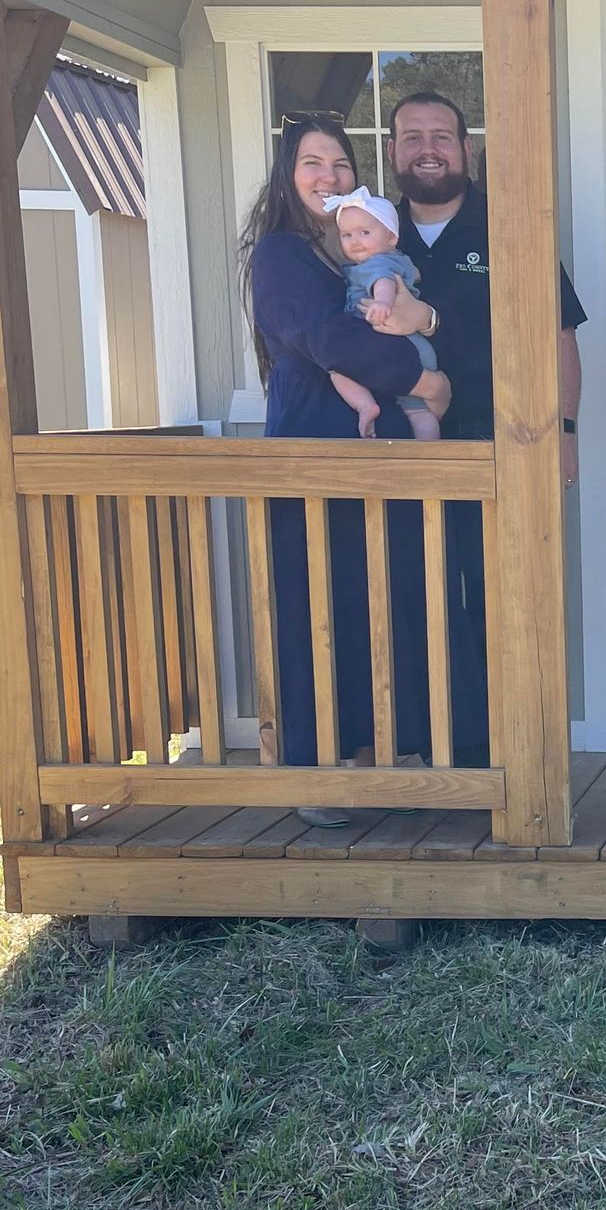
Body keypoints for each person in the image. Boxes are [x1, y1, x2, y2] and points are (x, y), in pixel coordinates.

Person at [387, 88, 587, 765]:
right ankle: (427, 752)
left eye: (440, 135)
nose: (427, 149)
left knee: (498, 599)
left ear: (465, 149)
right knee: (413, 598)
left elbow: (559, 336)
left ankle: (502, 756)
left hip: (503, 443)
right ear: (392, 152)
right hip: (396, 451)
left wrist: (563, 431)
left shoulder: (511, 228)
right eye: (411, 136)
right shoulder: (372, 235)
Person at [243, 116, 434, 820]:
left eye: (341, 163)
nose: (329, 176)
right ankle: (313, 774)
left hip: (372, 452)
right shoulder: (282, 255)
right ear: (288, 176)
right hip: (311, 451)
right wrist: (423, 378)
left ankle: (365, 761)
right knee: (312, 607)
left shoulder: (359, 253)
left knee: (366, 603)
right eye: (312, 163)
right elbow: (324, 339)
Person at [322, 185, 450, 441]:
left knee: (337, 369)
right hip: (417, 346)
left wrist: (382, 302)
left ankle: (365, 406)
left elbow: (383, 281)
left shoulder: (376, 263)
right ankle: (430, 452)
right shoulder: (399, 259)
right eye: (346, 235)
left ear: (391, 237)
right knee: (418, 413)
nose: (354, 240)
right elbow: (414, 275)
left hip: (392, 342)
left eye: (364, 232)